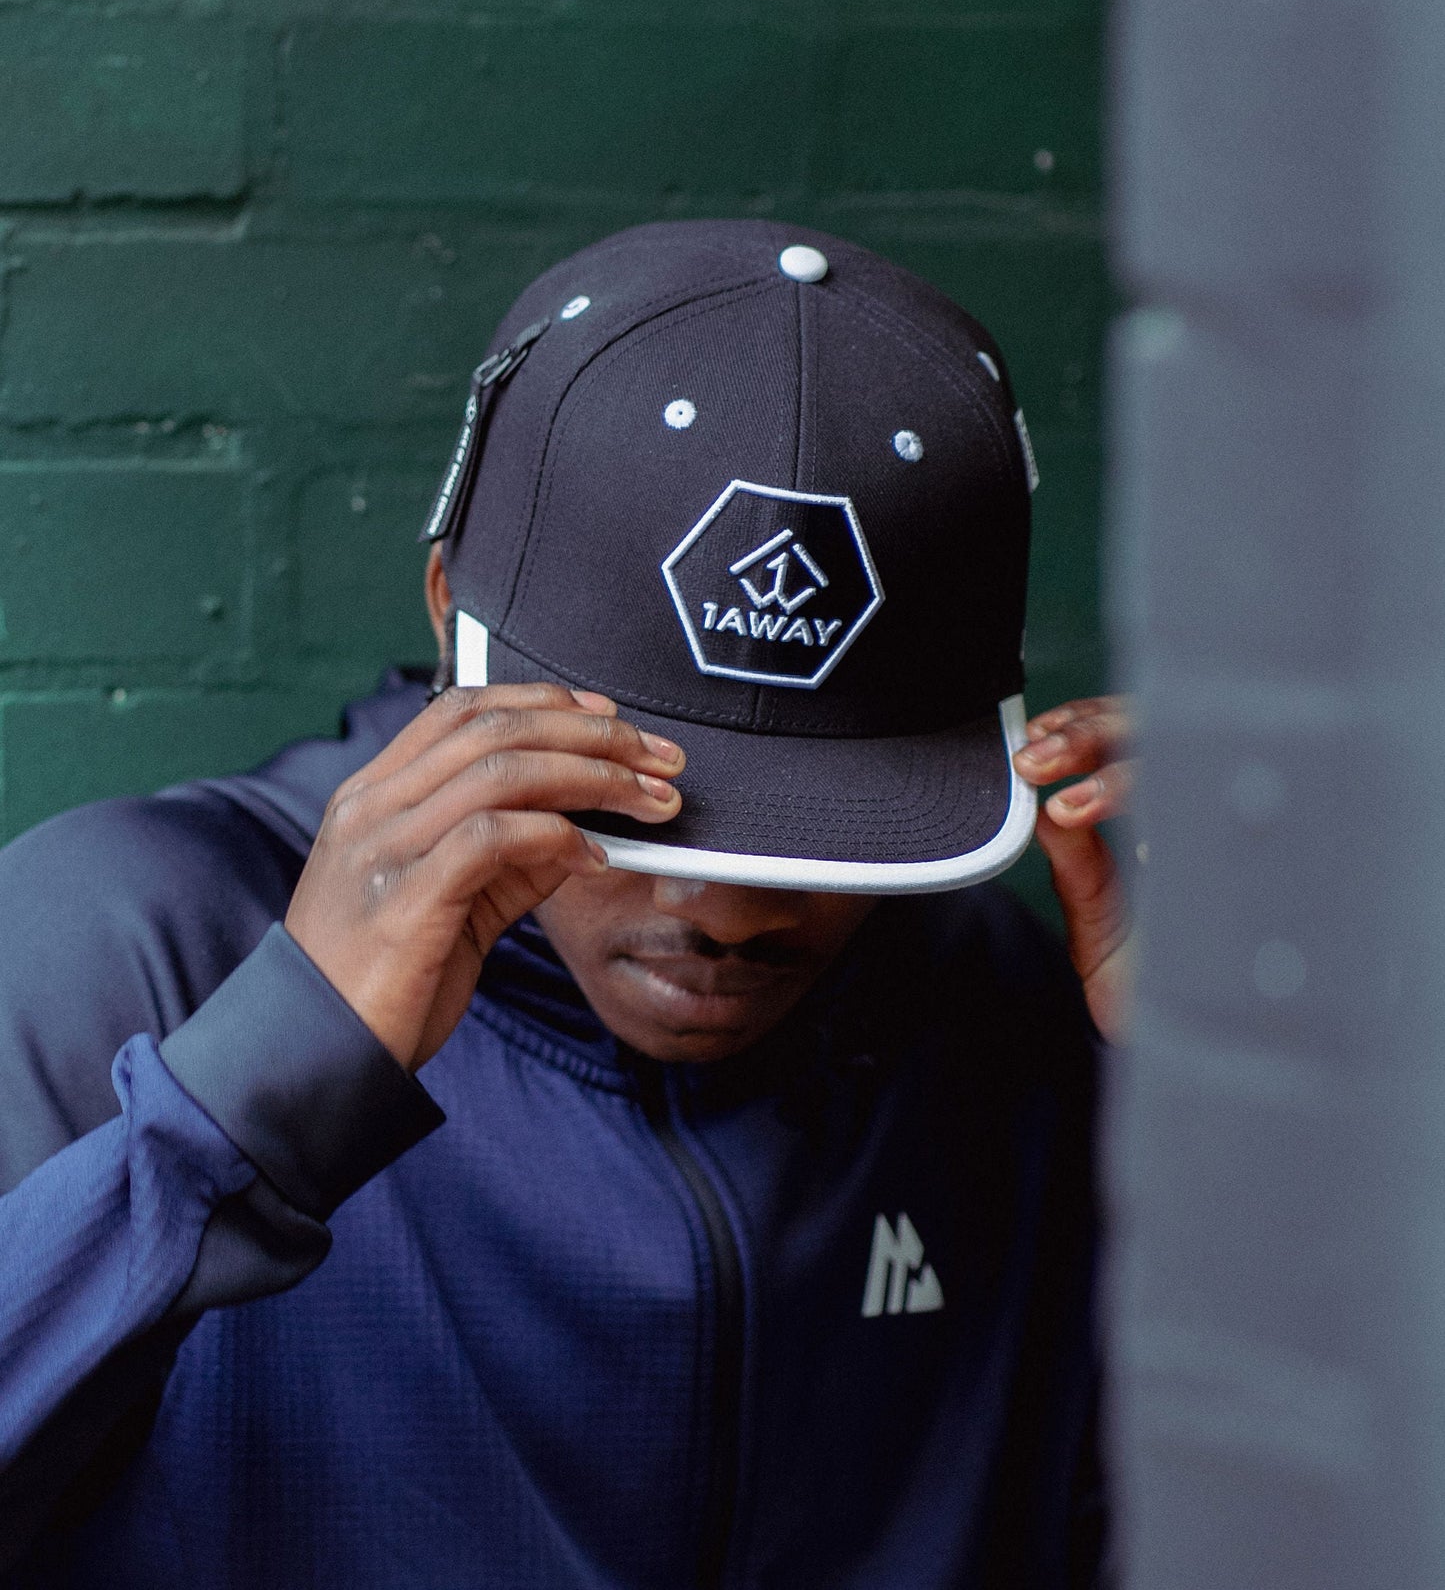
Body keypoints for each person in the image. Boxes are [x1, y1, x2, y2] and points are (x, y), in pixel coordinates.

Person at [0, 222, 1130, 1588]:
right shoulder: (134, 946)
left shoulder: (1001, 1009)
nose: (729, 909)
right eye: (643, 796)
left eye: (833, 826)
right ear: (446, 616)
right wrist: (244, 1106)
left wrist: (1267, 1148)